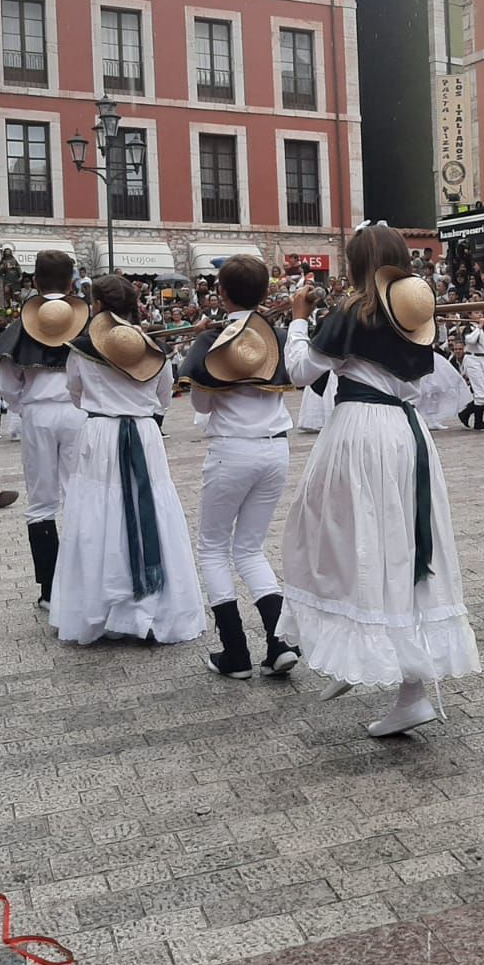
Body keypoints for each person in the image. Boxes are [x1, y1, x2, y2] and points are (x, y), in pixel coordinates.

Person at [279, 224, 480, 737]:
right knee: (404, 551)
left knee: (343, 539)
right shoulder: (418, 314)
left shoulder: (353, 310)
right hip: (407, 436)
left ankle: (359, 653)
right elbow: (442, 392)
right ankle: (390, 678)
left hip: (362, 434)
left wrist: (299, 320)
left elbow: (301, 371)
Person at [50, 275, 205, 646]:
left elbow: (75, 393)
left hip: (100, 433)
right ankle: (151, 607)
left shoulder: (81, 350)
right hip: (143, 432)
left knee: (100, 513)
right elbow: (164, 398)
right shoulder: (153, 347)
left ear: (99, 306)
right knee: (147, 505)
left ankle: (100, 610)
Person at [177, 255, 299, 679]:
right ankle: (279, 641)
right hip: (275, 449)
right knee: (249, 548)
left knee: (212, 548)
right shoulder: (277, 335)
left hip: (232, 449)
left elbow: (199, 402)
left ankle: (235, 652)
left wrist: (202, 346)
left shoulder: (213, 337)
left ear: (222, 293)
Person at [0, 250, 89, 610]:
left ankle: (50, 589)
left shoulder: (19, 325)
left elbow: (7, 384)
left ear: (33, 281)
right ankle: (83, 579)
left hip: (37, 412)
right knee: (80, 493)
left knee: (41, 501)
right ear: (71, 282)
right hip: (79, 412)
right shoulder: (85, 320)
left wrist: (26, 407)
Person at [457, 317, 484, 431]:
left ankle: (465, 413)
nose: (479, 315)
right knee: (480, 391)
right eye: (476, 312)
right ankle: (478, 422)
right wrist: (479, 327)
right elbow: (470, 340)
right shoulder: (468, 328)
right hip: (472, 359)